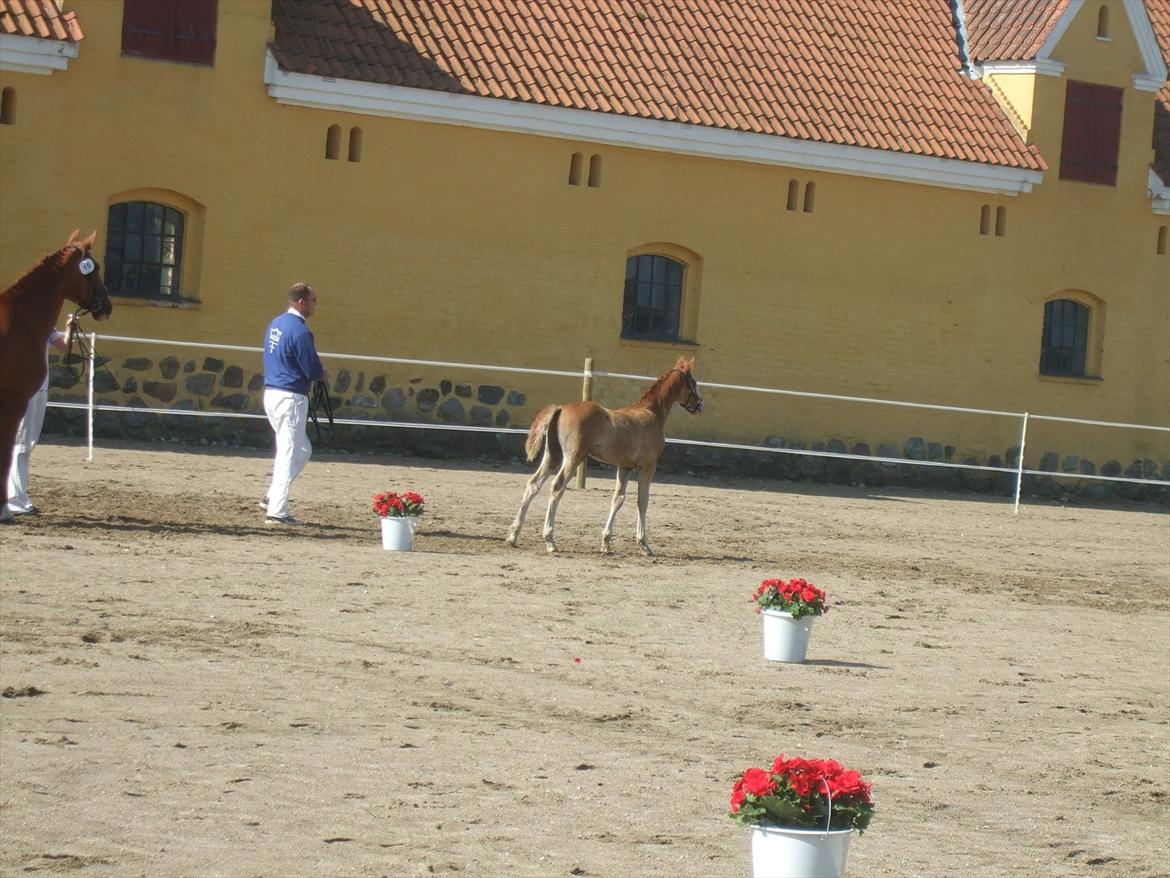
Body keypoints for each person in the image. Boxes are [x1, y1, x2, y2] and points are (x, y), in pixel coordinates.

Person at [261, 282, 325, 525]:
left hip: (274, 392)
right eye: (313, 301)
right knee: (289, 452)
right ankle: (276, 511)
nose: (314, 306)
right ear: (302, 302)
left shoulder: (276, 324)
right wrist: (322, 372)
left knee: (302, 450)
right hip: (290, 396)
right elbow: (310, 367)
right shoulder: (300, 331)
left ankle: (272, 497)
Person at [4, 315, 77, 518]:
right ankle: (15, 499)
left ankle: (16, 495)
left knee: (28, 442)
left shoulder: (44, 324)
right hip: (22, 389)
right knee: (20, 444)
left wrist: (70, 328)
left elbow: (64, 346)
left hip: (39, 388)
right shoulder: (16, 322)